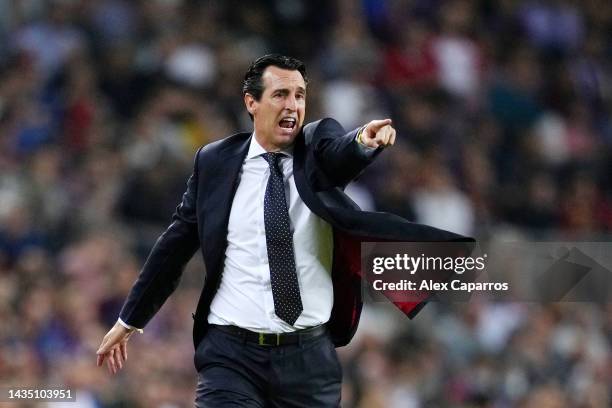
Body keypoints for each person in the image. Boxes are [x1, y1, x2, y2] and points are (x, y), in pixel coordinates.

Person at [96, 54, 468, 407]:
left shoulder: (315, 149)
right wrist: (130, 319)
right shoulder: (215, 162)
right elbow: (176, 244)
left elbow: (339, 156)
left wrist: (361, 144)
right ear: (251, 102)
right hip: (230, 353)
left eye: (300, 95)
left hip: (307, 358)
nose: (292, 104)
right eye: (280, 94)